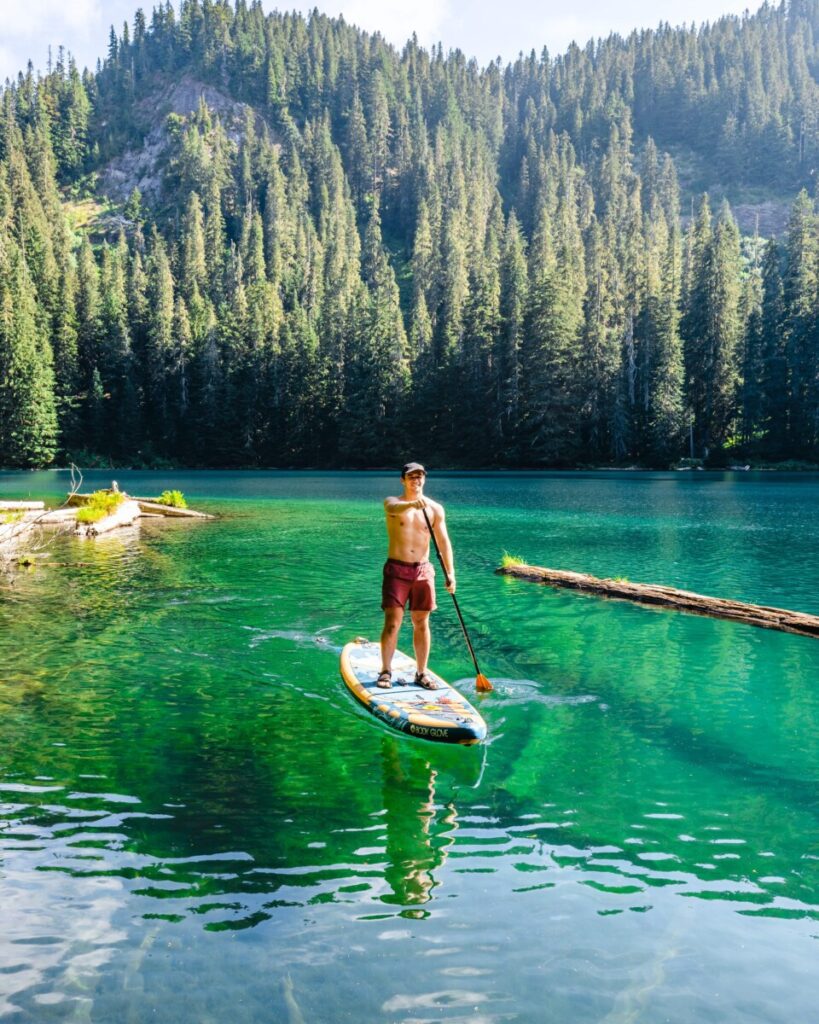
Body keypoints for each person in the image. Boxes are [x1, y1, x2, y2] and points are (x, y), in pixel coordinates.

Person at [378, 462, 455, 690]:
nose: (416, 480)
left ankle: (421, 673)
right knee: (393, 622)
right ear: (403, 480)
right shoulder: (393, 502)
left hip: (423, 570)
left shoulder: (435, 509)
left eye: (420, 476)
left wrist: (450, 573)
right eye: (411, 476)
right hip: (397, 569)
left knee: (422, 622)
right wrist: (413, 504)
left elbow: (443, 542)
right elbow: (393, 509)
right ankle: (385, 671)